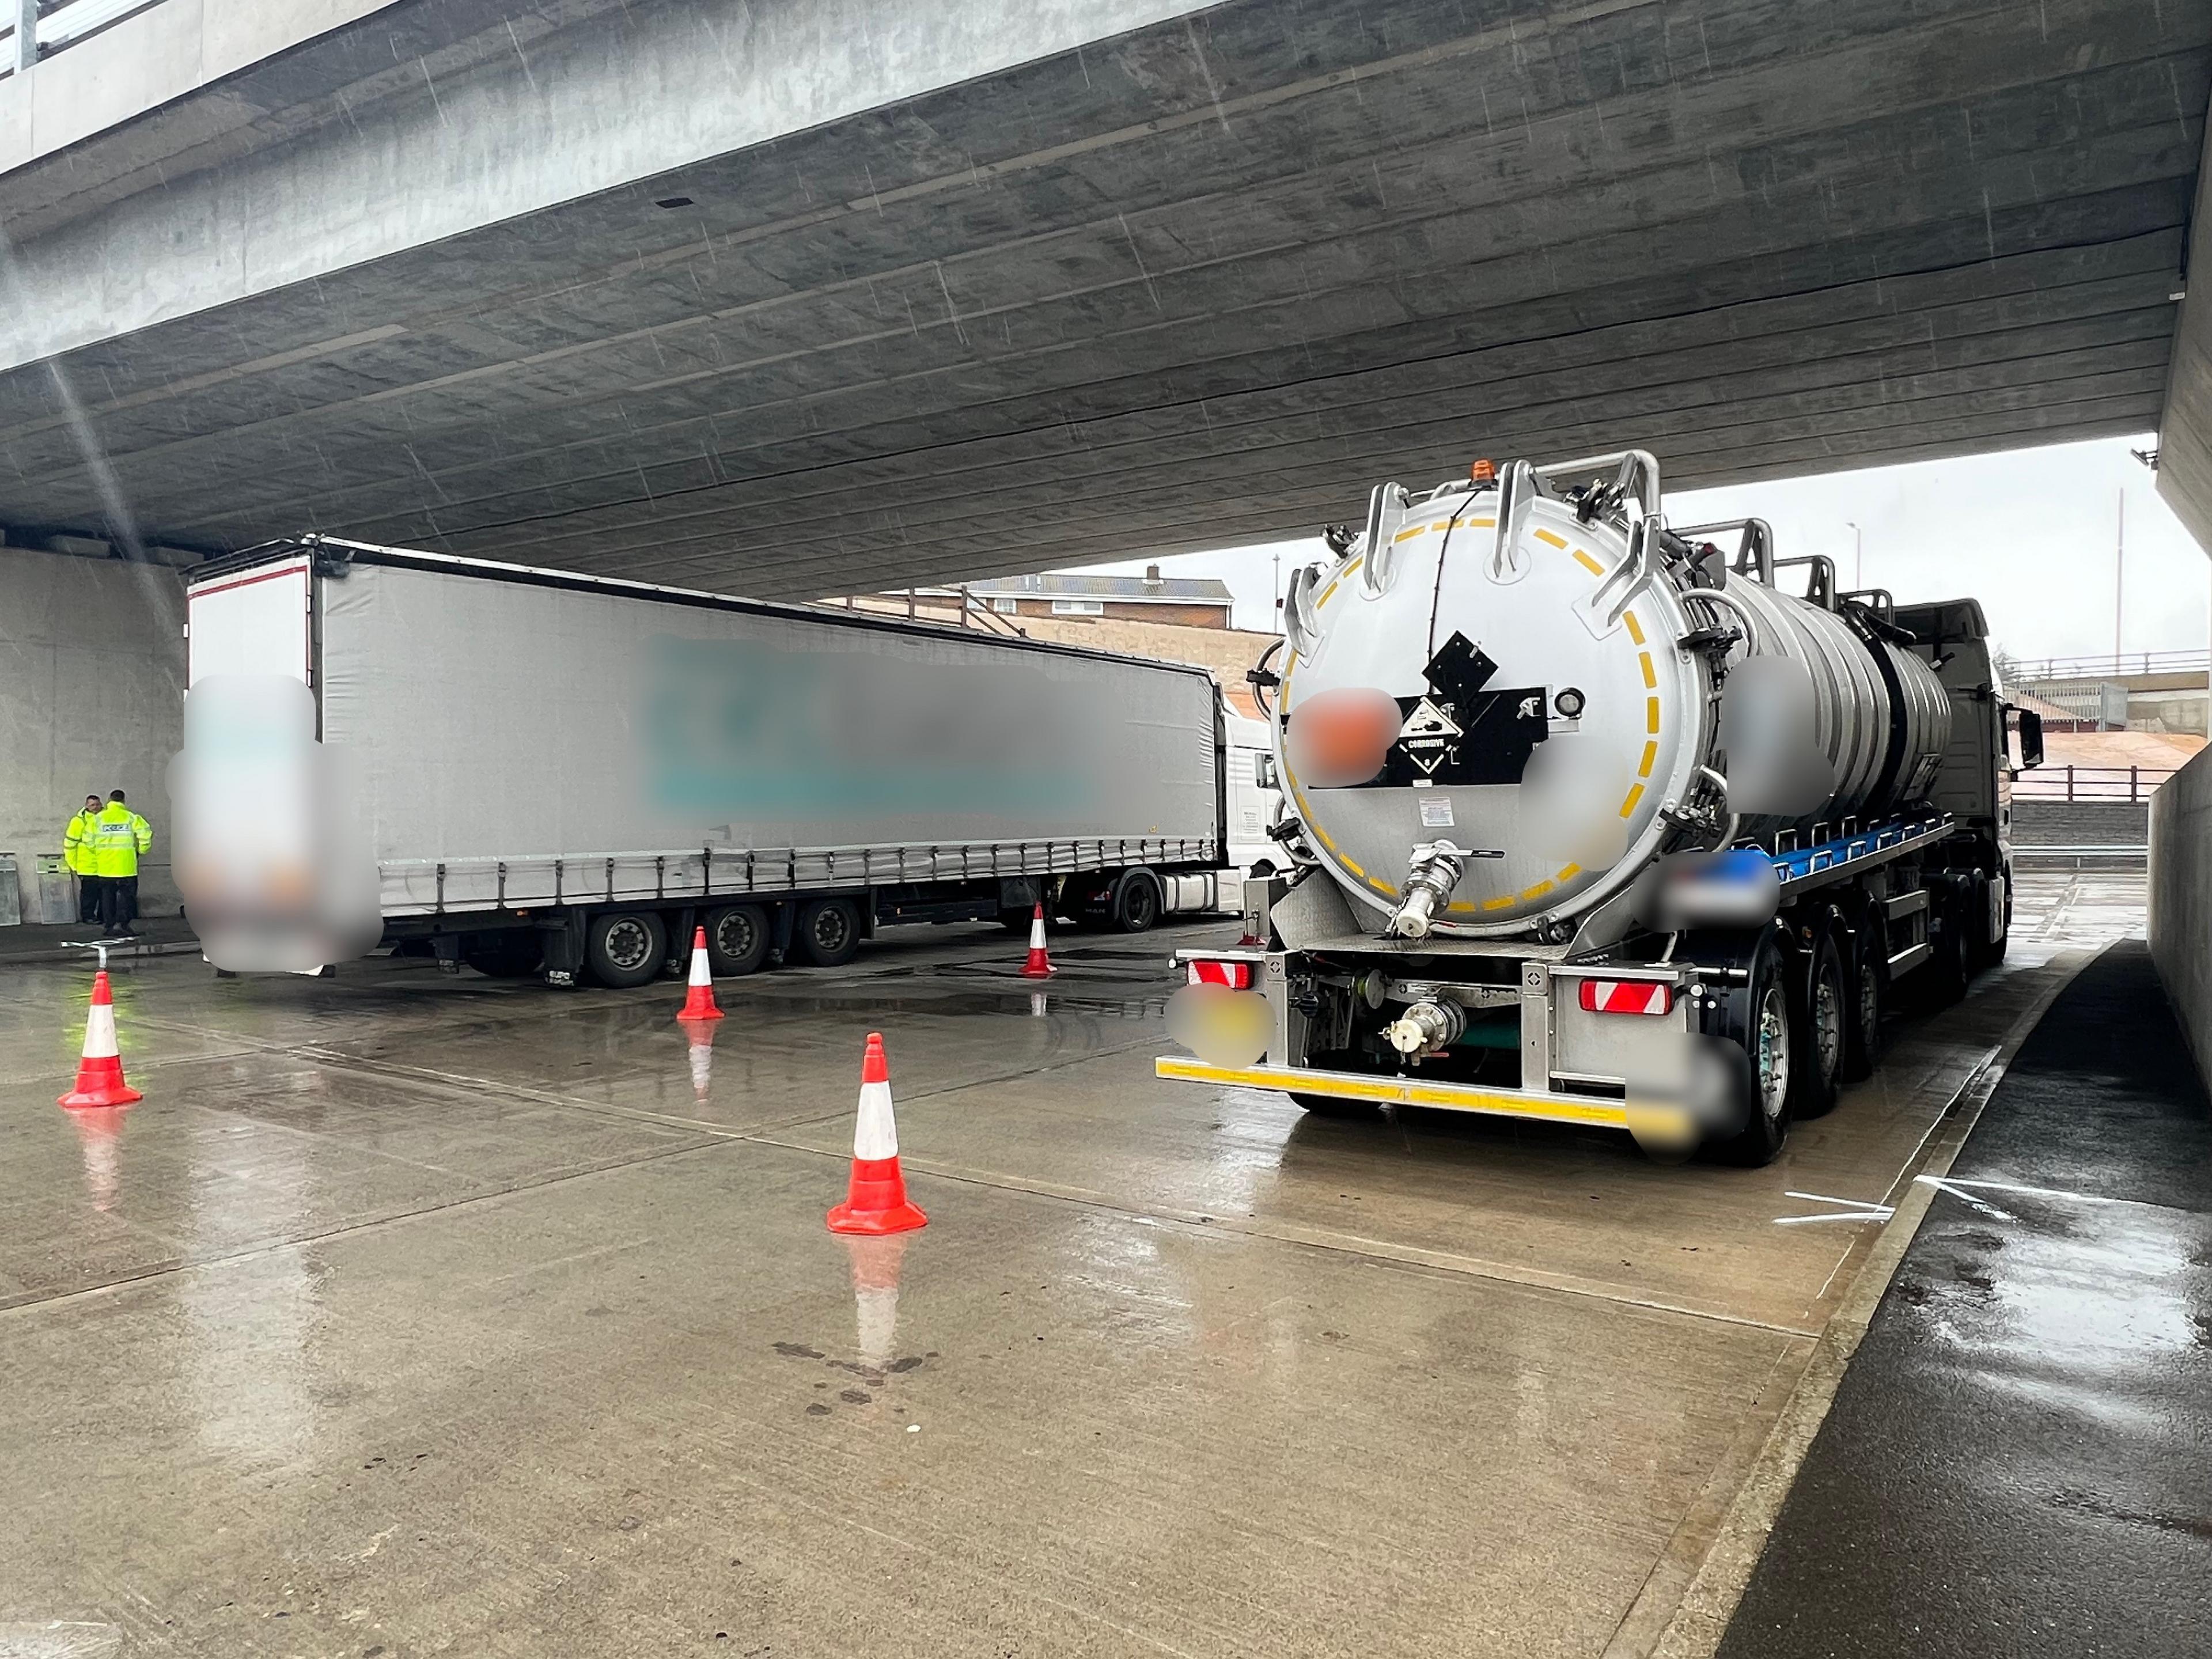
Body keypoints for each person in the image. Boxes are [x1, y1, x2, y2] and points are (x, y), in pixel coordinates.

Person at [88, 790, 153, 938]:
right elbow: (146, 834)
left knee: (107, 897)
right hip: (127, 867)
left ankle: (110, 926)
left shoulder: (98, 819)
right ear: (123, 801)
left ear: (109, 801)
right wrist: (142, 850)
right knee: (127, 898)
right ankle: (123, 925)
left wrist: (99, 852)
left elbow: (88, 840)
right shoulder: (131, 818)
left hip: (106, 867)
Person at [63, 793, 105, 926]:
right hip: (87, 866)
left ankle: (103, 916)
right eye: (92, 805)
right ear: (86, 806)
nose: (96, 807)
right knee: (89, 895)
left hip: (106, 865)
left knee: (105, 895)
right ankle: (88, 917)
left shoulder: (107, 818)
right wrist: (73, 865)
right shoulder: (79, 821)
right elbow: (70, 845)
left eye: (98, 804)